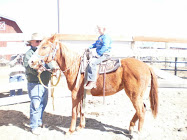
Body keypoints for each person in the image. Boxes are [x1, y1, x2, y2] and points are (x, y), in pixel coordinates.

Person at [23, 33, 56, 135]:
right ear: (31, 42)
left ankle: (38, 122)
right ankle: (34, 126)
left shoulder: (43, 53)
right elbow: (27, 67)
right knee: (36, 105)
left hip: (44, 83)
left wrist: (53, 69)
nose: (38, 43)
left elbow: (49, 64)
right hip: (35, 83)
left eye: (40, 41)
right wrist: (37, 70)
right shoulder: (29, 54)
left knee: (43, 103)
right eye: (37, 41)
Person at [84, 25, 112, 89]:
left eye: (99, 29)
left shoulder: (106, 37)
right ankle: (88, 78)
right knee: (89, 61)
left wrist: (99, 54)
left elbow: (105, 46)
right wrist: (89, 47)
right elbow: (95, 44)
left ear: (104, 29)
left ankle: (92, 81)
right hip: (101, 54)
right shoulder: (101, 37)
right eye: (98, 29)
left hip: (105, 54)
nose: (98, 31)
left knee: (92, 63)